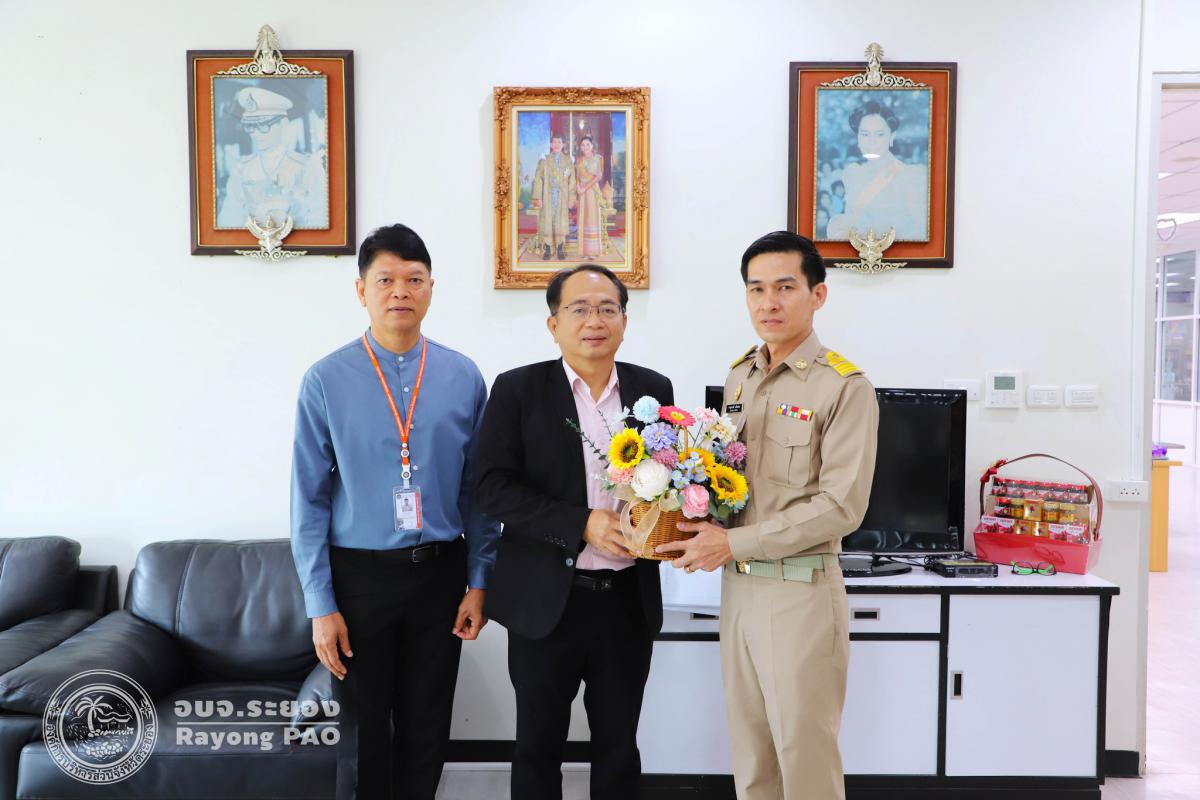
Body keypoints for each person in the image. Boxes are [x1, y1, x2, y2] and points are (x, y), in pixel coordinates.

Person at [657, 231, 879, 800]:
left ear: (817, 295)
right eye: (756, 289)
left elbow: (841, 506)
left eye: (784, 287)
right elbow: (729, 481)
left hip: (800, 592)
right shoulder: (741, 377)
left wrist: (733, 543)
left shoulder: (843, 387)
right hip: (739, 589)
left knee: (804, 760)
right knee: (752, 758)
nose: (768, 302)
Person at [290, 224, 500, 800]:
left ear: (431, 288)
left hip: (440, 573)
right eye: (385, 280)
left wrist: (480, 580)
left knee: (427, 728)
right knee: (361, 733)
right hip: (359, 578)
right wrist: (321, 604)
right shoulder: (325, 380)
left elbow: (478, 491)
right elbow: (308, 499)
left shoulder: (463, 376)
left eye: (414, 279)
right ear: (361, 290)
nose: (400, 291)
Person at [476, 264, 673, 800]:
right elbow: (491, 487)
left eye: (608, 309)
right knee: (537, 748)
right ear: (553, 324)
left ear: (625, 321)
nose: (595, 321)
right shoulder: (517, 390)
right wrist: (580, 523)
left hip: (626, 602)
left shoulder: (653, 390)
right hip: (545, 603)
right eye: (579, 309)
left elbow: (673, 476)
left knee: (619, 747)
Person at [217, 86, 328, 229]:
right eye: (251, 126)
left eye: (264, 125)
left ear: (283, 124)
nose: (256, 134)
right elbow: (228, 219)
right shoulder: (242, 170)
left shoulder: (308, 166)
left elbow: (320, 218)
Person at [826, 100, 928, 241]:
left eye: (880, 134)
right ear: (858, 137)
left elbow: (920, 229)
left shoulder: (909, 175)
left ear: (892, 136)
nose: (872, 141)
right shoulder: (853, 174)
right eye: (865, 134)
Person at [530, 133, 577, 261]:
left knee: (561, 222)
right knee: (548, 222)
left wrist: (571, 199)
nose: (556, 144)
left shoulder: (568, 161)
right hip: (547, 196)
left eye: (559, 142)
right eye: (554, 142)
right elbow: (538, 179)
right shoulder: (544, 160)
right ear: (551, 144)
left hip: (562, 197)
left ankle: (560, 248)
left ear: (563, 144)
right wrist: (538, 198)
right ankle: (548, 248)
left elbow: (572, 181)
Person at [575, 136, 605, 259]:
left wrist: (585, 188)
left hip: (592, 191)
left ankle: (593, 251)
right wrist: (578, 187)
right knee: (583, 219)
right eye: (583, 145)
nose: (585, 147)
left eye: (588, 144)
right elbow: (577, 176)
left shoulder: (598, 158)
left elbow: (598, 177)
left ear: (592, 146)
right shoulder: (579, 160)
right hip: (582, 193)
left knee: (592, 218)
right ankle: (584, 250)